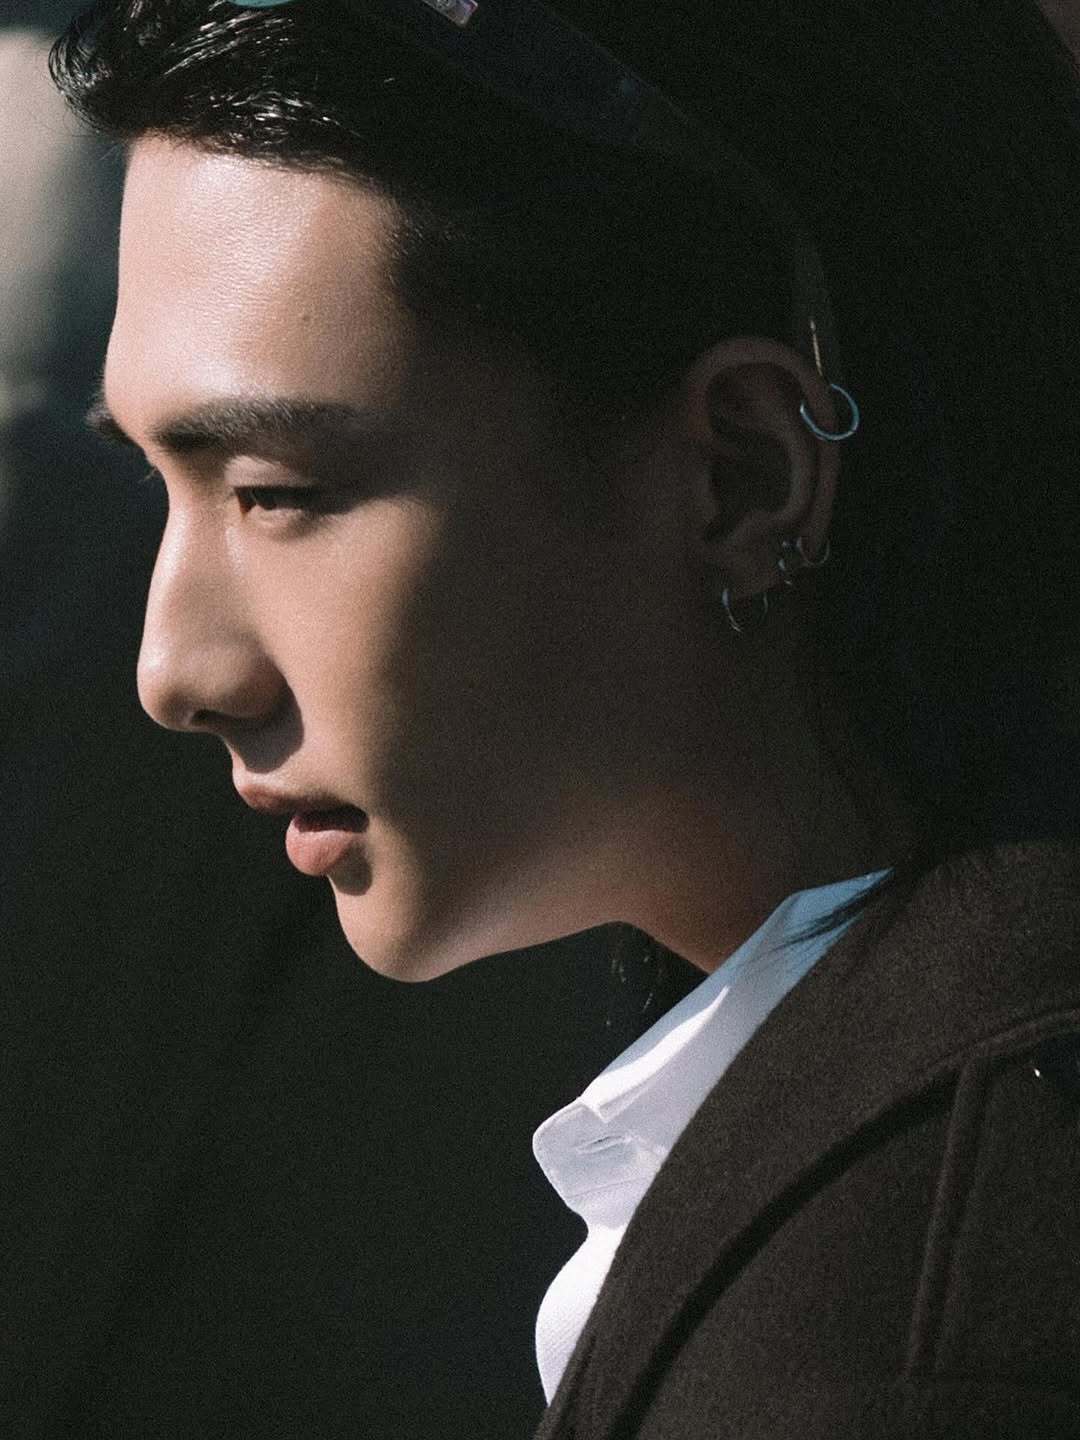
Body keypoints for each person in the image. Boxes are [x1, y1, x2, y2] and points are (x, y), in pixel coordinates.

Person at [48, 0, 1080, 1434]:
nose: (177, 672)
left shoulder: (911, 1343)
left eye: (277, 493)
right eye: (156, 486)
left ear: (742, 476)